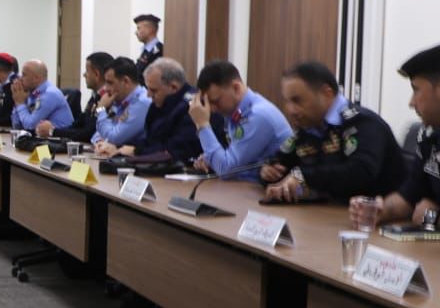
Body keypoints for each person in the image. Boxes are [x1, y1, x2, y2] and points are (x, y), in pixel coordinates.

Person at [261, 61, 404, 204]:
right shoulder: (308, 128)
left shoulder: (364, 123)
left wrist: (305, 177)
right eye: (287, 101)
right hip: (326, 211)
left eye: (297, 100)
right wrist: (267, 172)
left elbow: (361, 173)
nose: (291, 110)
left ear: (326, 93)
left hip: (377, 213)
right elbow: (280, 165)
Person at [350, 44, 440, 228]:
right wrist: (379, 209)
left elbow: (428, 214)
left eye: (416, 90)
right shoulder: (429, 136)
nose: (411, 102)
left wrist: (433, 217)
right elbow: (409, 196)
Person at [188, 60, 291, 182]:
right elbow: (236, 164)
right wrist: (211, 160)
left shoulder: (258, 115)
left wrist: (202, 125)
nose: (213, 109)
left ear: (236, 88)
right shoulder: (236, 113)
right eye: (209, 103)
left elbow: (227, 169)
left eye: (216, 101)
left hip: (277, 190)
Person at [95, 58, 204, 162]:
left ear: (173, 87)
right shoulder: (160, 103)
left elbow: (175, 151)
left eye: (153, 90)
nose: (148, 95)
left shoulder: (191, 107)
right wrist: (120, 147)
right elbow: (149, 139)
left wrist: (136, 151)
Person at [37, 51, 112, 142]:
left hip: (94, 147)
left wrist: (53, 131)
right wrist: (53, 130)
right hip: (86, 145)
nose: (84, 75)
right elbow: (77, 125)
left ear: (96, 74)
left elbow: (88, 134)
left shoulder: (108, 99)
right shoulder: (95, 96)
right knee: (41, 148)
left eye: (87, 71)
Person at [92, 57, 152, 150]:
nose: (105, 89)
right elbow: (98, 134)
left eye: (110, 83)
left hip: (137, 157)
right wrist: (99, 142)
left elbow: (113, 138)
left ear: (126, 81)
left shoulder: (142, 102)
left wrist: (101, 109)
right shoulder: (118, 101)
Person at [9, 59, 74, 132]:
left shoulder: (50, 94)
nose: (20, 78)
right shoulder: (31, 93)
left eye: (24, 75)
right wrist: (18, 101)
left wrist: (20, 103)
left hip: (60, 137)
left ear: (36, 78)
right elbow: (17, 126)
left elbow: (30, 126)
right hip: (41, 137)